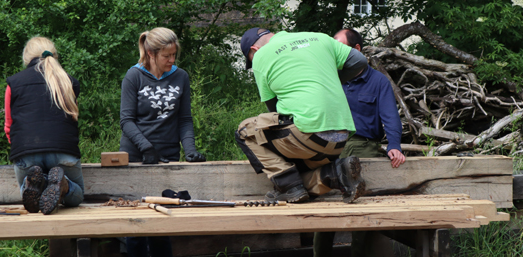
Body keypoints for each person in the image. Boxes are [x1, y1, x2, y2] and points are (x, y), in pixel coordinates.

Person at [235, 28, 368, 204]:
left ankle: (288, 186)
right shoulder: (320, 37)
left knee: (244, 131)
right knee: (300, 175)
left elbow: (274, 112)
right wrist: (331, 78)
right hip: (340, 140)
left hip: (308, 136)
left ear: (254, 49)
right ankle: (334, 173)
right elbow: (360, 61)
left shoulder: (261, 55)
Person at [313, 28, 407, 257]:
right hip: (328, 144)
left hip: (362, 145)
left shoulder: (378, 82)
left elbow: (390, 117)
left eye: (339, 48)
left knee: (360, 210)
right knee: (323, 210)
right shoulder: (328, 77)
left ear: (356, 51)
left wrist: (394, 145)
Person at [119, 27, 205, 257]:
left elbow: (184, 119)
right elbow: (126, 120)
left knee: (162, 222)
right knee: (136, 224)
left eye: (174, 55)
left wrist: (190, 150)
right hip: (137, 155)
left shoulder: (181, 76)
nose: (171, 60)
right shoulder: (133, 76)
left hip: (167, 157)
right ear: (151, 54)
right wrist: (145, 146)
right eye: (166, 56)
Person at [4, 36, 84, 215]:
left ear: (27, 58)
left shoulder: (14, 83)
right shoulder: (68, 81)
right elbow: (72, 121)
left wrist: (21, 147)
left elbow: (8, 126)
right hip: (63, 151)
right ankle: (64, 185)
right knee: (77, 196)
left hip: (26, 153)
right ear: (54, 56)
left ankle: (33, 184)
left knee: (28, 190)